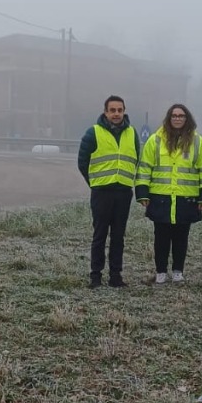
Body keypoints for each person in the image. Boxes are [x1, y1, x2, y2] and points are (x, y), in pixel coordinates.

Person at [135, 104, 202, 284]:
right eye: (174, 115)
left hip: (187, 197)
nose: (177, 118)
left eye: (181, 115)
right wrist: (143, 193)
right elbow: (145, 167)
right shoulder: (155, 140)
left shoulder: (198, 142)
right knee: (160, 237)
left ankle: (178, 271)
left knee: (181, 237)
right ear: (169, 118)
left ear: (187, 118)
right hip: (161, 196)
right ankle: (161, 271)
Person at [78, 95, 140, 288]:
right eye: (112, 110)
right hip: (102, 193)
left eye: (119, 110)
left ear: (124, 111)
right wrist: (95, 183)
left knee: (118, 237)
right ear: (105, 112)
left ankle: (115, 276)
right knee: (99, 235)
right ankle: (95, 276)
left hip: (123, 192)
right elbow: (82, 162)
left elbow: (135, 158)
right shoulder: (93, 133)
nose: (116, 114)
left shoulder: (132, 133)